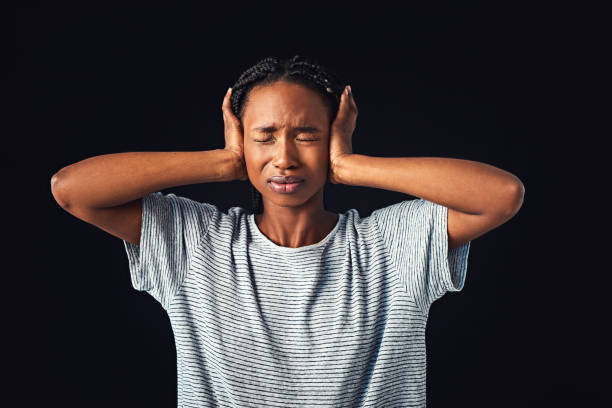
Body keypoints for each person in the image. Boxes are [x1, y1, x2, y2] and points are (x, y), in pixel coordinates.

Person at [51, 55, 524, 407]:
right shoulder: (196, 244)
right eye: (265, 136)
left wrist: (351, 166)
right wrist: (224, 162)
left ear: (335, 134)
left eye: (306, 135)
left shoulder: (390, 246)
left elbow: (501, 195)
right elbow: (72, 189)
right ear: (239, 135)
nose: (284, 157)